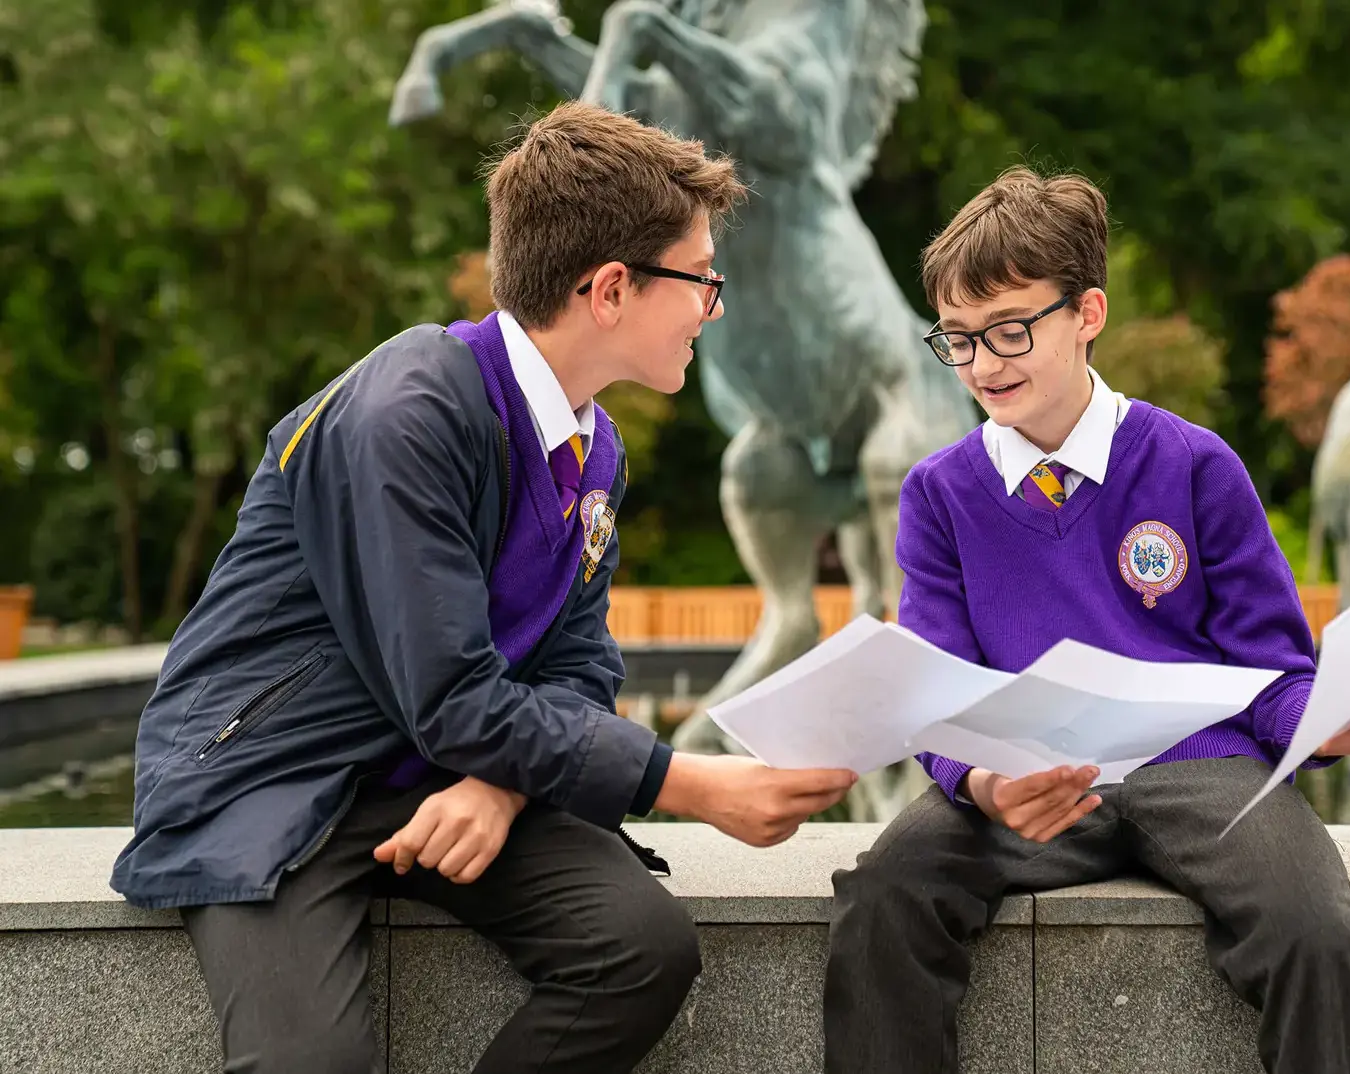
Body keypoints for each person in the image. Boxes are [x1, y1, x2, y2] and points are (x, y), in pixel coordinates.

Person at [109, 101, 858, 1074]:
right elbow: (455, 693)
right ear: (612, 289)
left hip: (438, 766)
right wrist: (686, 783)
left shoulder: (595, 444)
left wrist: (500, 785)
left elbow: (581, 660)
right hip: (272, 776)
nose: (714, 307)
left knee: (640, 950)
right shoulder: (406, 412)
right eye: (703, 280)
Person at [822, 165, 1350, 1074]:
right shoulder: (939, 494)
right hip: (1021, 778)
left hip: (1204, 769)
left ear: (1087, 314)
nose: (984, 363)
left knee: (1316, 930)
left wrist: (1334, 722)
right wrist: (979, 783)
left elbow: (1274, 674)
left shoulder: (1195, 464)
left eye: (1011, 329)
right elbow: (936, 685)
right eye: (959, 339)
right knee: (883, 898)